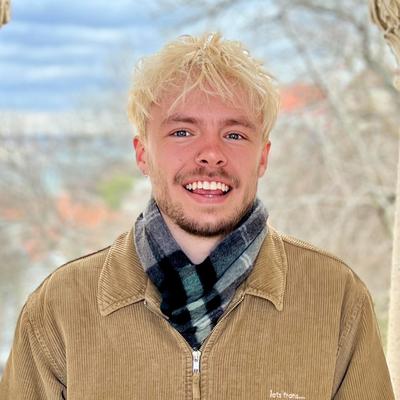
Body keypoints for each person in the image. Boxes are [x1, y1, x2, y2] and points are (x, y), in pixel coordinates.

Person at [0, 33, 395, 400]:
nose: (211, 154)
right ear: (142, 154)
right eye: (183, 132)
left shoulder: (336, 299)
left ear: (262, 157)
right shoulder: (60, 309)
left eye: (234, 134)